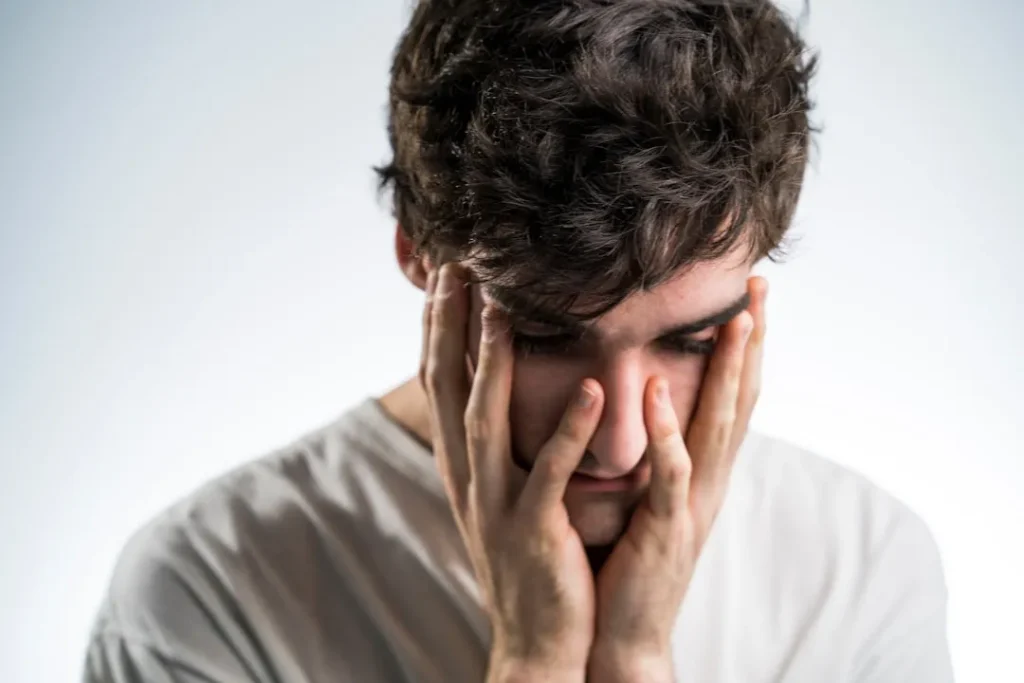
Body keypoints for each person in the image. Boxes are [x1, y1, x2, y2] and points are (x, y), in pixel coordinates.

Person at [82, 1, 955, 681]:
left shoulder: (863, 569)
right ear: (420, 260)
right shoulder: (206, 589)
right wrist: (534, 662)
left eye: (692, 341)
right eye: (543, 336)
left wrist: (636, 662)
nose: (617, 442)